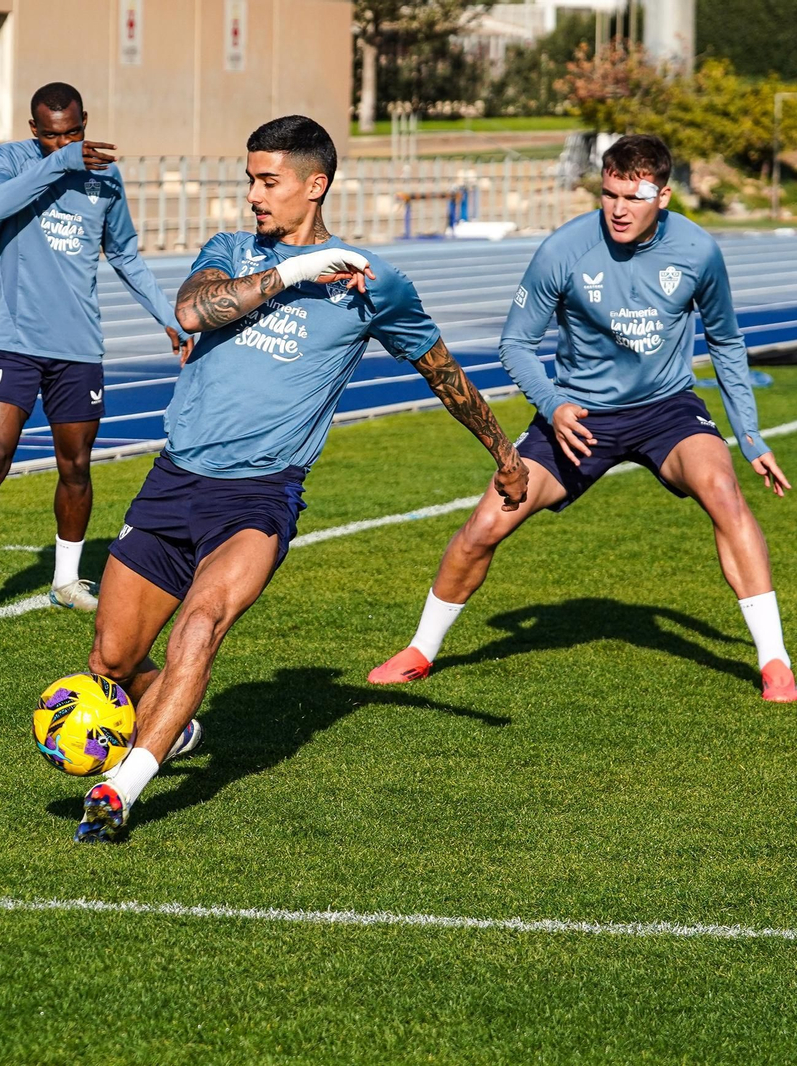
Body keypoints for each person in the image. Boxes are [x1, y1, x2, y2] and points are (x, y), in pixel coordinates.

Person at [74, 116, 528, 841]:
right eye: (250, 179)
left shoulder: (374, 286)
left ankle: (122, 788)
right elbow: (193, 310)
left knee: (201, 624)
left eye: (268, 181)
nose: (254, 194)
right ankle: (174, 726)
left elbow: (440, 369)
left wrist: (504, 453)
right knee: (114, 658)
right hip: (173, 480)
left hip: (258, 496)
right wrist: (292, 273)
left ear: (313, 186)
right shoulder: (230, 250)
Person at [367, 134, 797, 703]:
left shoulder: (699, 252)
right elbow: (516, 345)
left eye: (634, 197)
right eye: (609, 194)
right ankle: (421, 649)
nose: (619, 209)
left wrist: (749, 435)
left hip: (667, 411)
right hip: (578, 415)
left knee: (722, 490)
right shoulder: (563, 249)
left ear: (664, 196)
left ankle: (775, 663)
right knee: (486, 525)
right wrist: (554, 405)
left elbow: (726, 341)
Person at [0, 81, 191, 627]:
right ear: (35, 130)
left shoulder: (105, 176)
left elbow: (124, 253)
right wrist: (63, 162)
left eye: (74, 132)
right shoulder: (9, 160)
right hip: (14, 342)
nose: (65, 143)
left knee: (75, 466)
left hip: (79, 348)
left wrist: (167, 316)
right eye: (52, 136)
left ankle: (66, 580)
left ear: (85, 120)